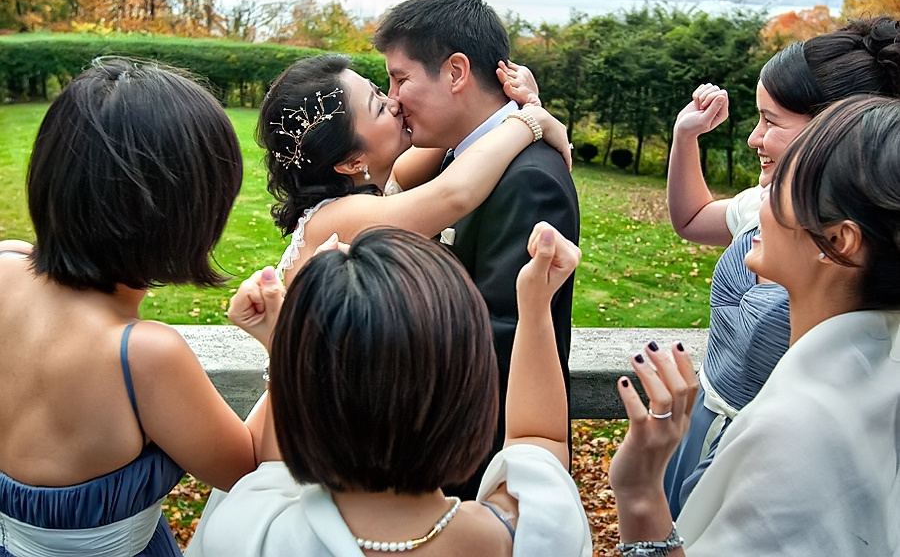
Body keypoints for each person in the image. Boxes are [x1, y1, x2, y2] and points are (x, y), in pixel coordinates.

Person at [190, 223, 592, 556]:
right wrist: (536, 306)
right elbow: (538, 438)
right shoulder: (537, 533)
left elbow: (275, 469)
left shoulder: (247, 534)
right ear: (472, 390)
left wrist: (287, 351)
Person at [0, 58, 268, 557]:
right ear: (183, 214)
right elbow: (246, 468)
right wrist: (284, 344)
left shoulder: (4, 263)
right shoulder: (140, 354)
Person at [611, 94, 900, 555]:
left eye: (783, 186)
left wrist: (640, 491)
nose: (761, 201)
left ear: (839, 241)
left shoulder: (795, 433)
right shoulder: (874, 378)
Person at [662, 16, 900, 516]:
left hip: (774, 448)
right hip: (704, 417)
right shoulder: (768, 201)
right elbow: (689, 218)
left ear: (833, 129)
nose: (753, 138)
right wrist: (686, 135)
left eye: (771, 121)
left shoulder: (862, 247)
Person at [372, 0, 581, 499]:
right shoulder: (460, 156)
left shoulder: (530, 180)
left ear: (457, 71)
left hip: (477, 459)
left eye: (400, 78)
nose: (393, 98)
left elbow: (505, 340)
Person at [262, 54, 569, 287]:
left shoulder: (382, 184)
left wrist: (510, 94)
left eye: (380, 91)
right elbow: (454, 194)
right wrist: (532, 119)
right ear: (353, 162)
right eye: (379, 107)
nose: (394, 101)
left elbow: (463, 124)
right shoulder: (336, 220)